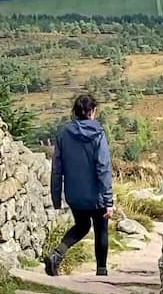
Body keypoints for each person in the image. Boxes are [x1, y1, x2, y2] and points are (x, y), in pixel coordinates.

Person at [45, 94, 114, 276]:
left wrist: (56, 197)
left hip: (74, 194)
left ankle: (57, 254)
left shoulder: (63, 134)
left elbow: (57, 169)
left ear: (75, 113)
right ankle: (101, 272)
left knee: (82, 226)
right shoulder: (98, 134)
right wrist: (108, 200)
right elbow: (103, 167)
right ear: (92, 112)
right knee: (101, 229)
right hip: (97, 195)